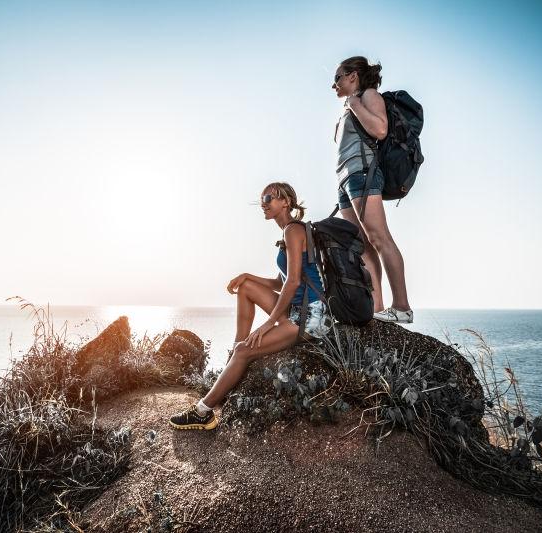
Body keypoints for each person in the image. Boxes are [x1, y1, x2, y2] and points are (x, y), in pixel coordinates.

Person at [169, 182, 331, 430]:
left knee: (247, 350)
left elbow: (294, 282)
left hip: (309, 318)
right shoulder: (288, 232)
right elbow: (281, 281)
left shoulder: (293, 230)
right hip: (298, 309)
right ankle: (235, 353)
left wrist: (268, 324)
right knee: (245, 289)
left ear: (285, 202)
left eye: (268, 197)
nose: (263, 203)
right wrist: (247, 276)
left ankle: (204, 412)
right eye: (261, 199)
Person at [332, 56, 413, 323]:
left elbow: (379, 129)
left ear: (353, 75)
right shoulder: (348, 106)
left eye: (338, 78)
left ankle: (402, 307)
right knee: (364, 246)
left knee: (380, 239)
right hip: (346, 179)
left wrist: (355, 103)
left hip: (362, 173)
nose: (335, 85)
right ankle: (377, 309)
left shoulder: (368, 95)